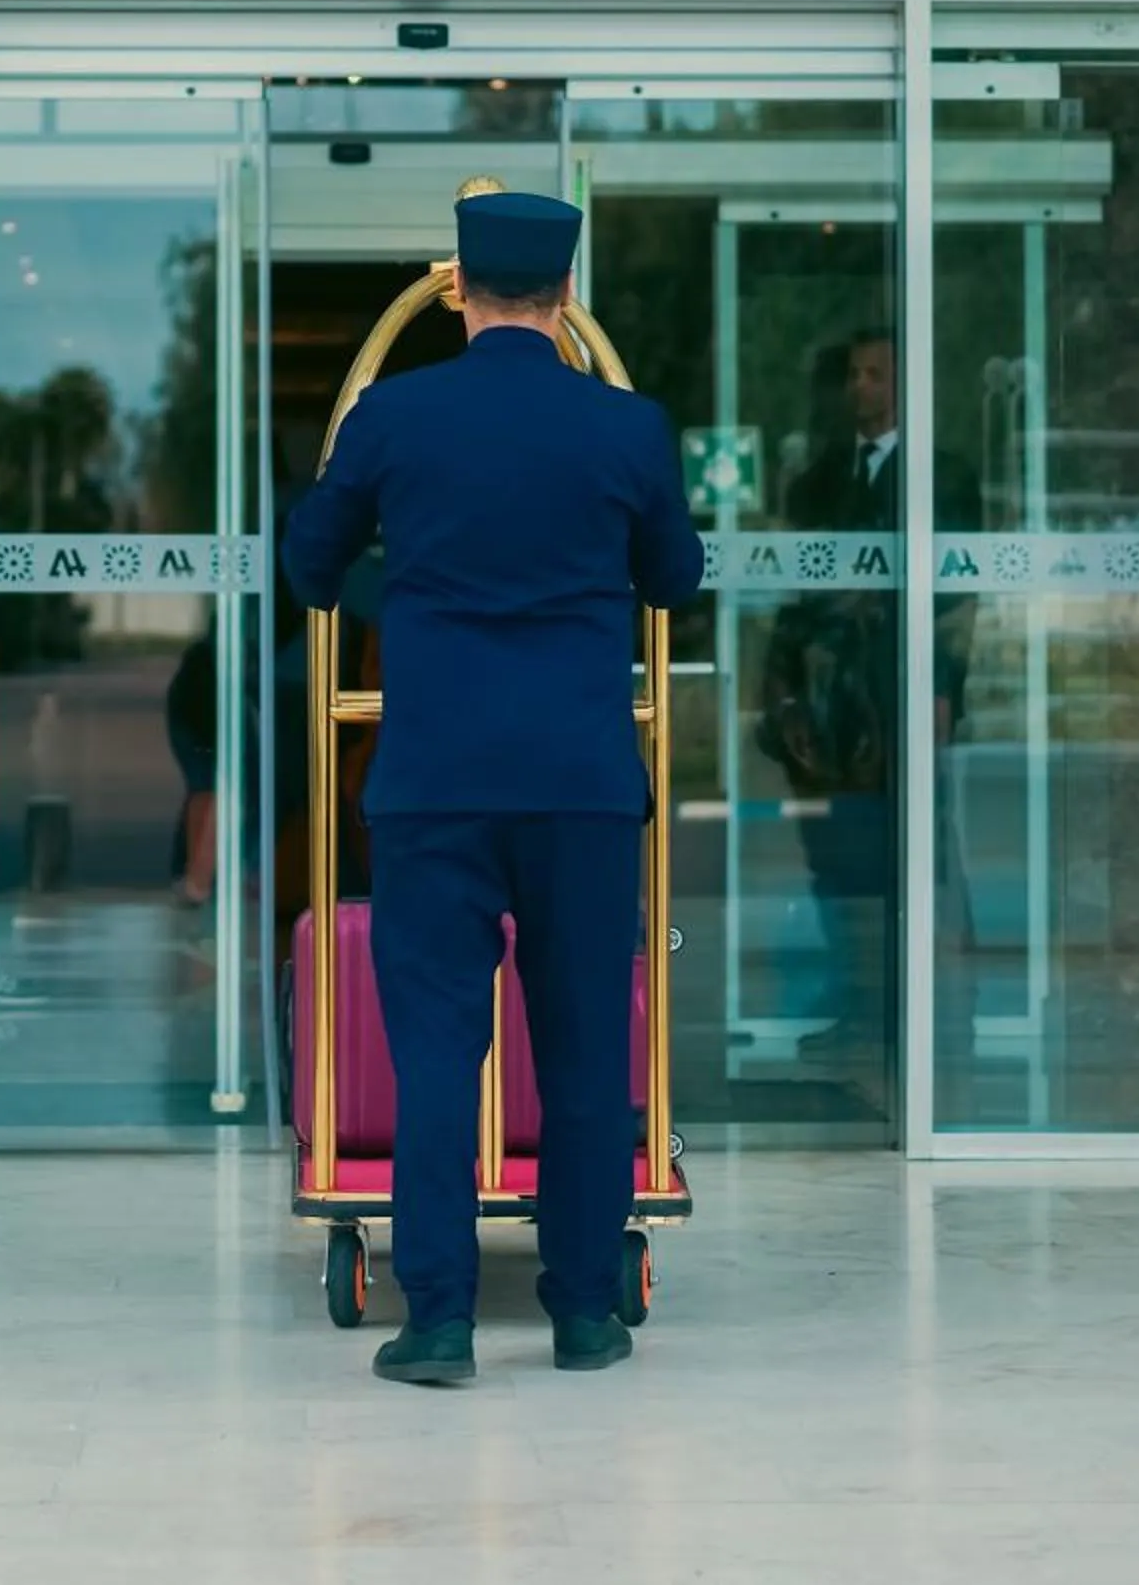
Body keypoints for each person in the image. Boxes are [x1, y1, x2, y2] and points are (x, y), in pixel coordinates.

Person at [284, 190, 704, 1388]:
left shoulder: (392, 416)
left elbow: (312, 566)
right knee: (579, 1051)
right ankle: (580, 1311)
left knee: (433, 1051)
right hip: (578, 784)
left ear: (459, 291)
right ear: (565, 299)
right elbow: (674, 577)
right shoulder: (627, 427)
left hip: (432, 786)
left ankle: (441, 1322)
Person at [758, 329, 980, 1060]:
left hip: (902, 693)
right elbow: (796, 597)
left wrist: (944, 690)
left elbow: (957, 597)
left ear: (904, 384)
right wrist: (783, 694)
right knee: (837, 862)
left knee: (920, 855)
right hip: (830, 707)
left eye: (878, 374)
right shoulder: (818, 482)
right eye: (854, 374)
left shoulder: (943, 476)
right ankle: (862, 1011)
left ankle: (941, 1021)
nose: (863, 387)